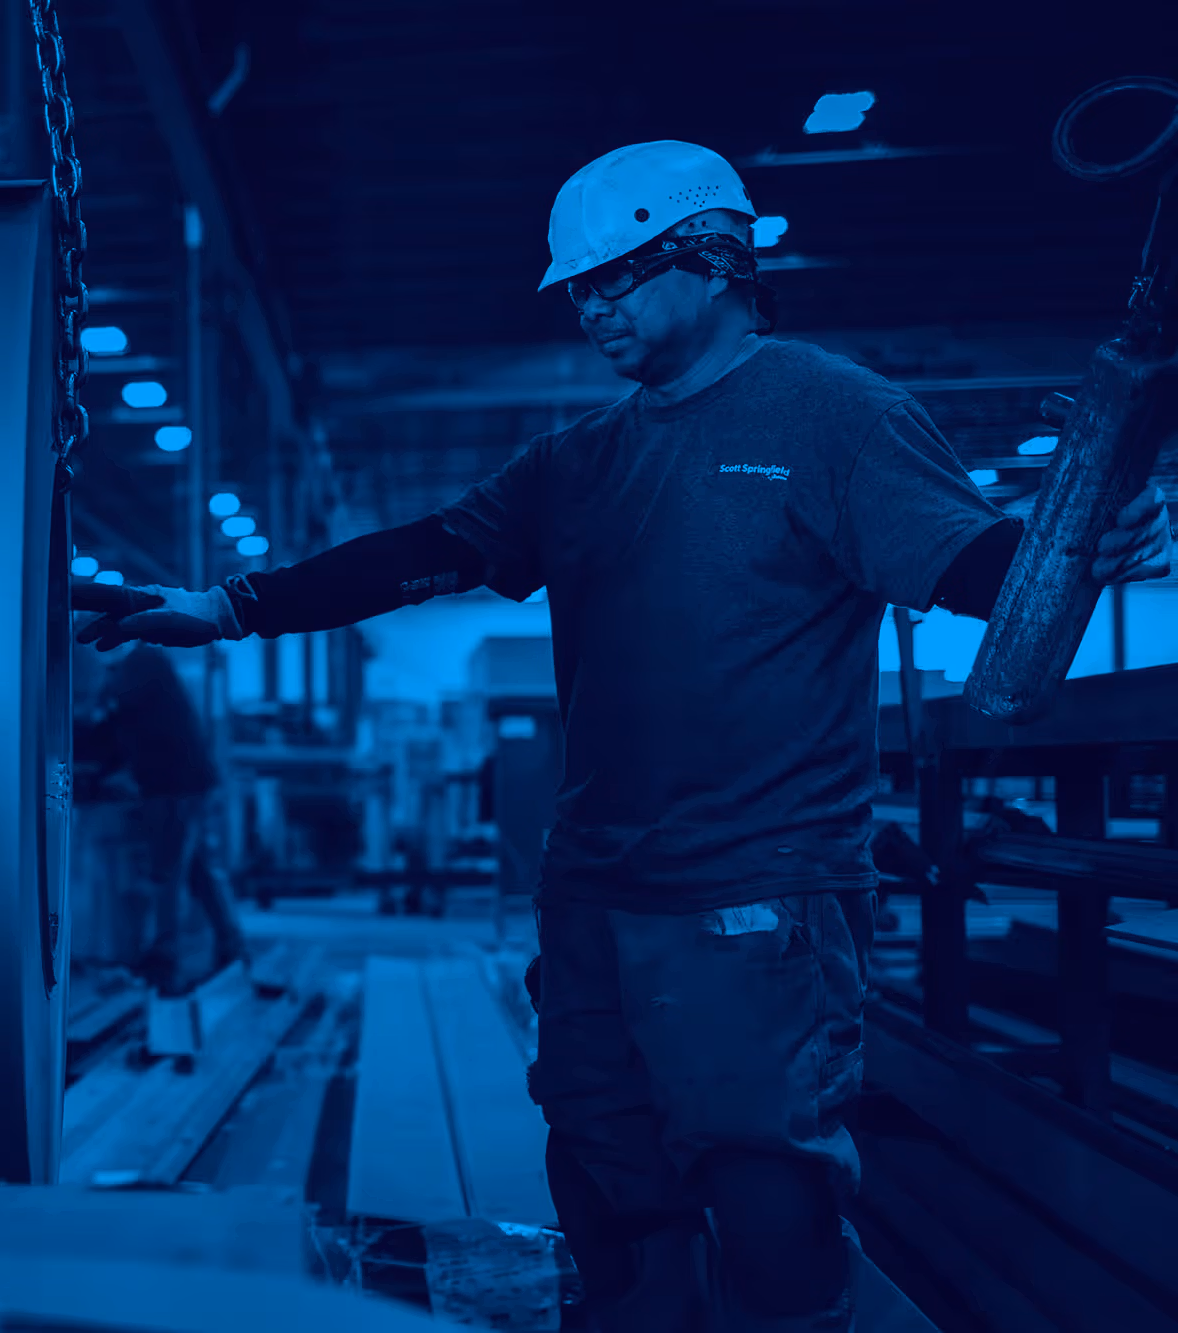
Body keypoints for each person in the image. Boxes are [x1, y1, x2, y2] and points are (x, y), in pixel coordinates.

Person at [72, 140, 1173, 1333]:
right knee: (602, 1170)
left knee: (763, 1183)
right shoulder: (576, 463)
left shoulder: (832, 414)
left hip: (755, 889)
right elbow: (415, 555)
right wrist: (230, 607)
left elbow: (975, 574)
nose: (590, 306)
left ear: (712, 262)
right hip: (595, 886)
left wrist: (1076, 540)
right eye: (577, 288)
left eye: (614, 279)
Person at [74, 638, 250, 994]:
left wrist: (84, 722)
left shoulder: (143, 662)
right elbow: (115, 730)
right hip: (184, 782)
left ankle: (165, 960)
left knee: (166, 871)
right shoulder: (138, 668)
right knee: (196, 870)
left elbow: (109, 714)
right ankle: (232, 944)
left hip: (174, 784)